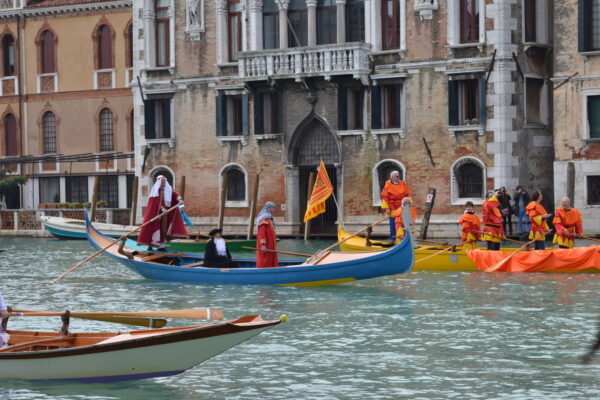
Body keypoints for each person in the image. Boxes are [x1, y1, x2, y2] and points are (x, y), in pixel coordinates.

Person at [137, 175, 188, 251]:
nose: (163, 182)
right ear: (159, 182)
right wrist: (162, 209)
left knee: (163, 229)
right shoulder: (155, 191)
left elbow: (176, 195)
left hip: (165, 215)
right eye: (162, 180)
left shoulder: (169, 189)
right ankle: (150, 245)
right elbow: (156, 203)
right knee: (151, 228)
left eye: (164, 180)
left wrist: (179, 199)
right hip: (155, 214)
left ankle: (161, 245)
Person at [380, 171, 411, 241]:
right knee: (393, 222)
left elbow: (407, 194)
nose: (398, 177)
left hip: (402, 205)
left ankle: (404, 237)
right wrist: (386, 208)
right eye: (397, 176)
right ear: (392, 177)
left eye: (398, 176)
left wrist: (408, 204)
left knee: (403, 222)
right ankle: (393, 238)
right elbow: (384, 197)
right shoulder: (388, 185)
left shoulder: (403, 184)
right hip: (392, 207)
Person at [256, 201, 278, 268]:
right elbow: (261, 234)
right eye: (272, 207)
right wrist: (263, 245)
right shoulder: (264, 220)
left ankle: (272, 269)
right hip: (266, 245)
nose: (274, 209)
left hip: (271, 244)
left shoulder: (270, 219)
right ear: (268, 208)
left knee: (271, 258)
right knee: (265, 260)